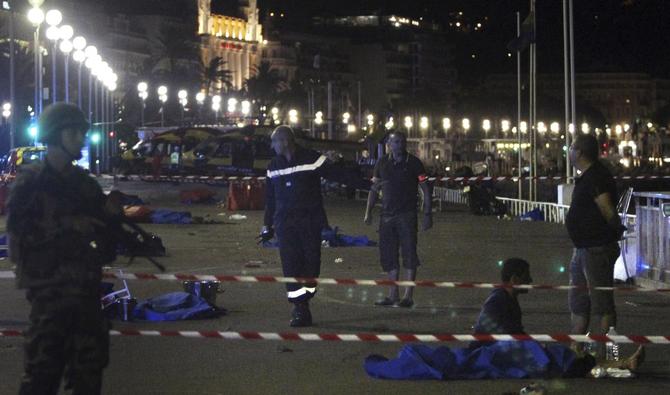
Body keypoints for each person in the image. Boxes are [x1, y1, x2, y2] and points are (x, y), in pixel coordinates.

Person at [364, 258, 645, 380]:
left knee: (561, 357)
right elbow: (510, 342)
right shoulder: (499, 302)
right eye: (527, 277)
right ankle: (618, 364)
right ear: (514, 280)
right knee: (561, 359)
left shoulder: (505, 299)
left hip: (502, 351)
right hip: (492, 354)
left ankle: (618, 364)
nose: (532, 281)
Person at [7, 102, 122, 394]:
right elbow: (19, 238)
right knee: (41, 377)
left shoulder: (86, 186)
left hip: (85, 296)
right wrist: (68, 225)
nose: (81, 139)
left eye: (82, 132)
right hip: (49, 296)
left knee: (88, 376)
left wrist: (111, 221)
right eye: (74, 132)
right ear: (56, 135)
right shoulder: (31, 184)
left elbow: (108, 248)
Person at [260, 125, 369, 327]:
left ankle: (305, 297)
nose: (272, 146)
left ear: (284, 141)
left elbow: (338, 174)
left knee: (311, 265)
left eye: (274, 141)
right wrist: (267, 226)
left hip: (310, 222)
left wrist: (369, 185)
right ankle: (299, 308)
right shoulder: (273, 166)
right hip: (285, 224)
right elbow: (270, 199)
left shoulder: (311, 158)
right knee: (291, 265)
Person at [566, 134, 625, 349]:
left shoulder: (597, 177)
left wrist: (614, 232)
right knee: (579, 304)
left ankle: (608, 355)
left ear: (579, 152)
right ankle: (576, 351)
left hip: (596, 249)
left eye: (571, 147)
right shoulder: (589, 176)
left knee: (602, 305)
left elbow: (607, 209)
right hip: (583, 247)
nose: (569, 152)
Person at [364, 131, 432, 308]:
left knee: (409, 253)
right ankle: (393, 294)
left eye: (402, 142)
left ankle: (408, 295)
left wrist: (427, 213)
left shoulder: (415, 163)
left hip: (407, 215)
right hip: (386, 216)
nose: (399, 145)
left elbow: (425, 188)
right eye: (396, 142)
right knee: (389, 255)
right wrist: (368, 212)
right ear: (389, 144)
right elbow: (374, 188)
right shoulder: (382, 163)